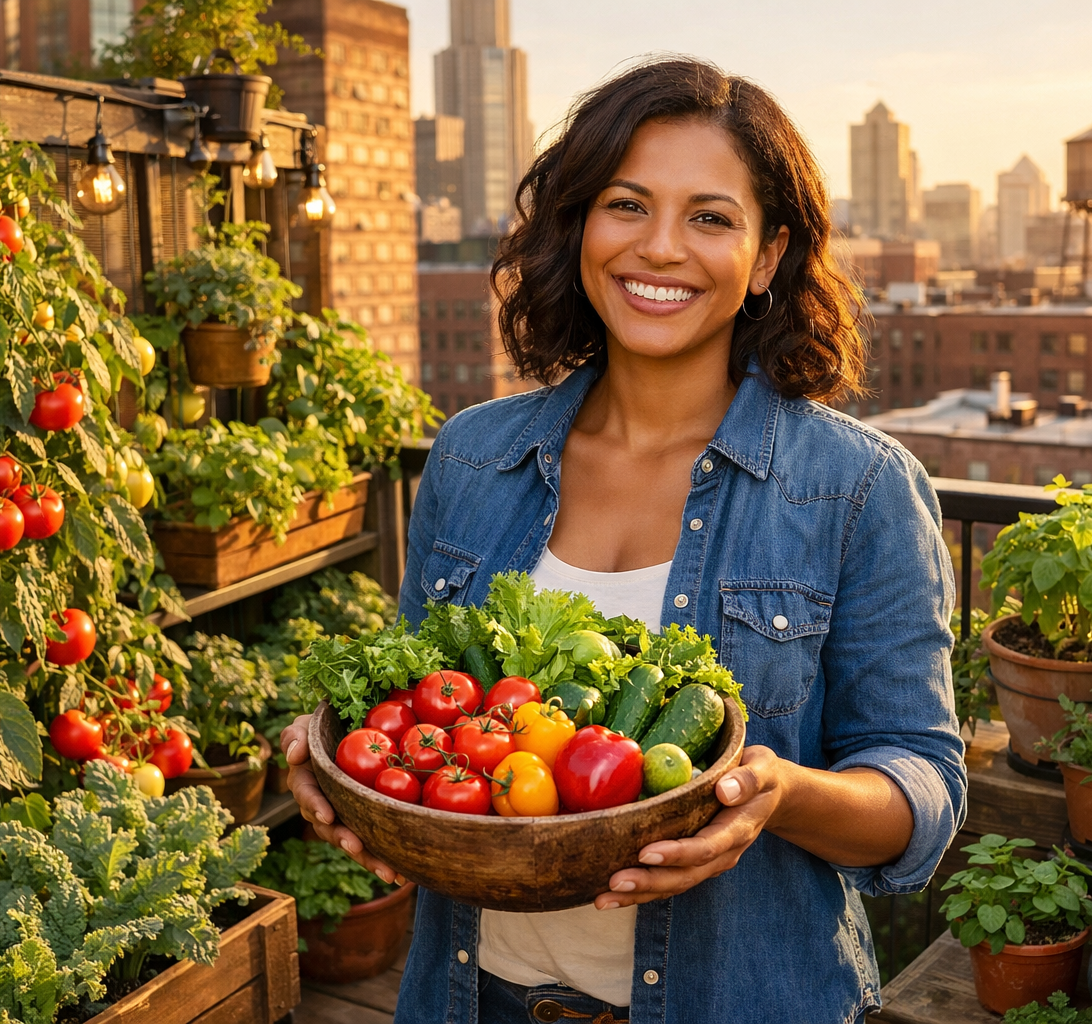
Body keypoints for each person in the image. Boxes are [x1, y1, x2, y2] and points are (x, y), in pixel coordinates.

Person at [280, 57, 966, 1024]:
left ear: (768, 256)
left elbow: (921, 792)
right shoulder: (475, 457)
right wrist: (342, 770)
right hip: (469, 999)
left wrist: (775, 790)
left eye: (711, 218)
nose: (660, 248)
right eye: (627, 204)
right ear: (580, 225)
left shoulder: (857, 489)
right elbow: (411, 711)